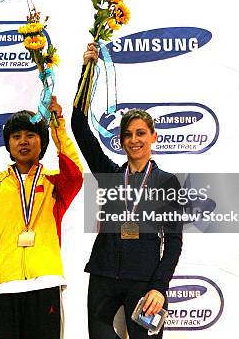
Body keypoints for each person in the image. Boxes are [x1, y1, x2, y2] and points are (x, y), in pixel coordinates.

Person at [71, 43, 183, 339]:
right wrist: (88, 70)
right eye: (128, 135)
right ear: (120, 141)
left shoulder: (166, 182)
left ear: (153, 137)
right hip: (103, 277)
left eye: (141, 133)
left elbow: (173, 241)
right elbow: (79, 126)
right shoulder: (109, 173)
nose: (134, 140)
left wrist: (160, 286)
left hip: (145, 283)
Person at [0, 99, 83, 339]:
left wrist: (57, 125)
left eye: (31, 135)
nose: (23, 141)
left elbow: (75, 174)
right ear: (8, 144)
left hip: (45, 284)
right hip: (2, 287)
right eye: (16, 136)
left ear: (42, 142)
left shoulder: (55, 183)